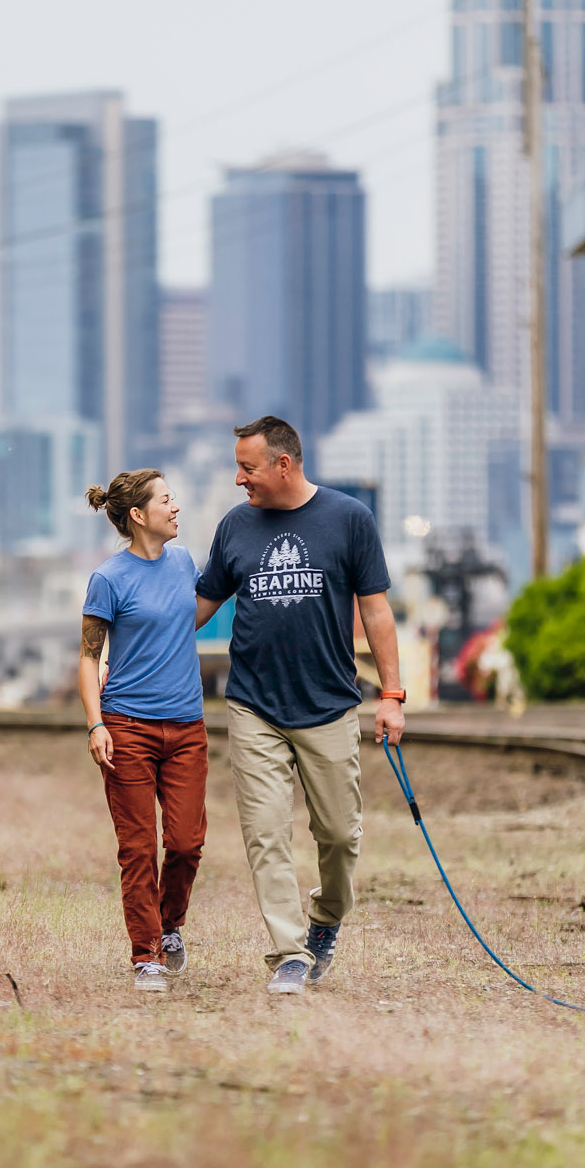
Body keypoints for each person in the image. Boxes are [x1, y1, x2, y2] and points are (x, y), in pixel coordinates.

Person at [193, 416, 405, 995]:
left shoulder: (349, 520)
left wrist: (391, 695)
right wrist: (132, 642)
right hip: (254, 705)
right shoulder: (235, 527)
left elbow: (377, 611)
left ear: (283, 465)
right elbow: (200, 605)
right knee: (265, 833)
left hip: (329, 703)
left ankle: (326, 918)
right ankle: (289, 952)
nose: (239, 479)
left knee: (339, 835)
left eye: (248, 467)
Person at [80, 470, 208, 994]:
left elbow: (186, 619)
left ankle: (170, 924)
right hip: (127, 727)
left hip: (186, 726)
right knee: (137, 849)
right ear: (138, 515)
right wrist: (95, 724)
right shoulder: (109, 578)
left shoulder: (183, 563)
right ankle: (146, 953)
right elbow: (89, 659)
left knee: (185, 843)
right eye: (166, 499)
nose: (175, 507)